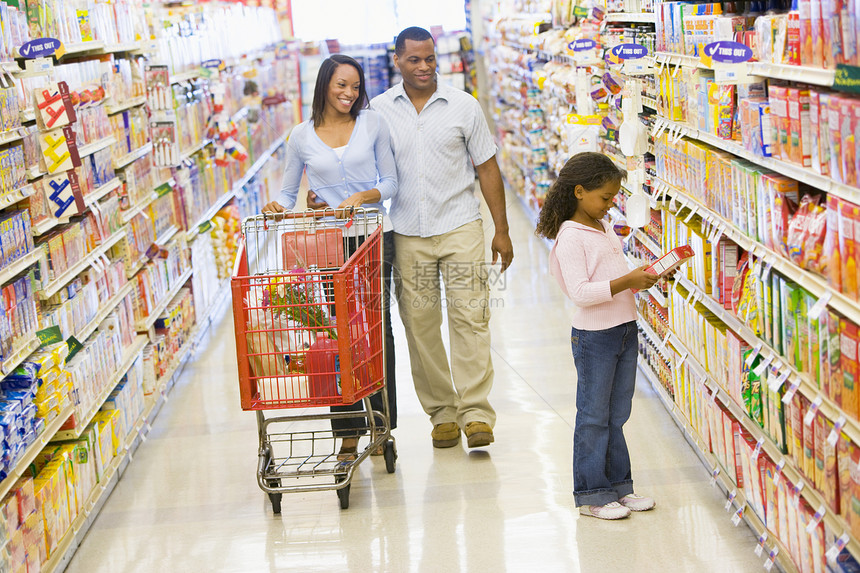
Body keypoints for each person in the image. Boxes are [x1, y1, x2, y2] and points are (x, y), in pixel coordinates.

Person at [369, 27, 514, 449]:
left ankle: (475, 414)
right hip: (408, 232)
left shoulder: (463, 106)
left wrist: (500, 230)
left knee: (471, 317)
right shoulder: (378, 111)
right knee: (420, 324)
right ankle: (443, 413)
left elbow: (487, 167)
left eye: (430, 58)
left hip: (461, 225)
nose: (424, 67)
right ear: (397, 61)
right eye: (414, 59)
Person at [262, 54, 398, 461]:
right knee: (337, 331)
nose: (349, 94)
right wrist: (277, 208)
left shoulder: (372, 123)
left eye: (355, 87)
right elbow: (288, 194)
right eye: (342, 85)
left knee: (376, 329)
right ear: (324, 85)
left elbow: (390, 182)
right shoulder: (301, 136)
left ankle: (382, 422)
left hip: (373, 237)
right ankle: (349, 430)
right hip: (327, 245)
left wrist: (362, 197)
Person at [535, 152, 659, 520]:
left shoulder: (601, 228)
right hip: (595, 338)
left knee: (617, 414)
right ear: (578, 192)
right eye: (605, 198)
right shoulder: (571, 237)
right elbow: (582, 293)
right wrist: (628, 281)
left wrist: (641, 277)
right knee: (593, 416)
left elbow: (610, 279)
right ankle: (592, 495)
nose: (610, 205)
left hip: (622, 330)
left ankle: (620, 488)